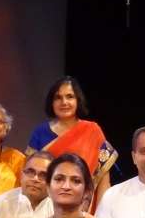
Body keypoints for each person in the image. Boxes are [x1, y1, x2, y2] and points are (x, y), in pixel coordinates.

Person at [25, 76, 117, 209]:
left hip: (83, 209)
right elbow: (31, 175)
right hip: (45, 209)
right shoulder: (40, 132)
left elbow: (103, 178)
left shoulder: (92, 130)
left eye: (70, 97)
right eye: (58, 97)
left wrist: (103, 213)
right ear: (51, 102)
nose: (64, 102)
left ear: (78, 100)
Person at [0, 151, 54, 218]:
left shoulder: (60, 211)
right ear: (22, 175)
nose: (35, 179)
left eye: (43, 175)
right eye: (30, 172)